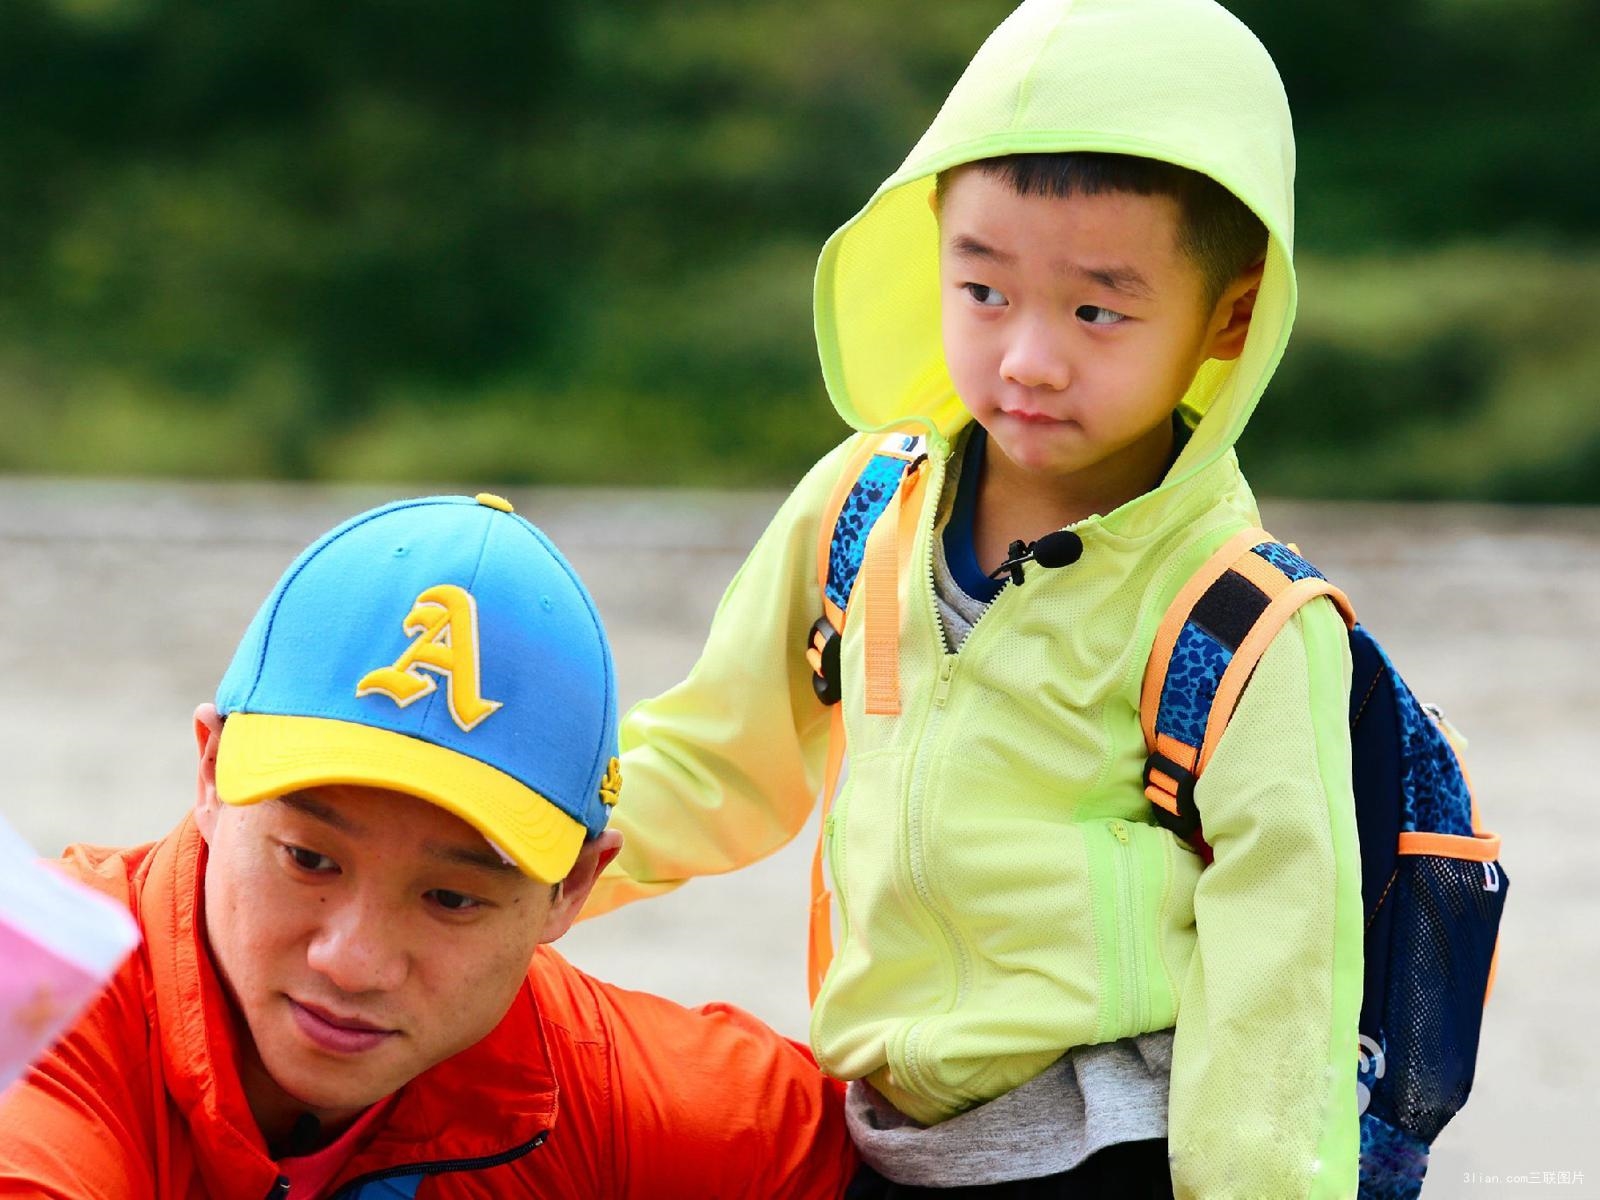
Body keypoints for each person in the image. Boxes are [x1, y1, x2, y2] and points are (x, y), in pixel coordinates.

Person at [582, 1, 1362, 1196]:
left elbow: (1283, 977)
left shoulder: (1243, 618)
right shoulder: (864, 510)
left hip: (1112, 1142)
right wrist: (506, 858)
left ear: (1231, 316)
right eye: (984, 290)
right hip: (890, 1130)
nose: (1027, 358)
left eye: (1097, 309)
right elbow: (715, 759)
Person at [0, 493, 858, 1198]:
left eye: (451, 898)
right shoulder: (36, 1003)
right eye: (310, 859)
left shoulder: (611, 1092)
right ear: (212, 774)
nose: (354, 962)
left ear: (573, 888)